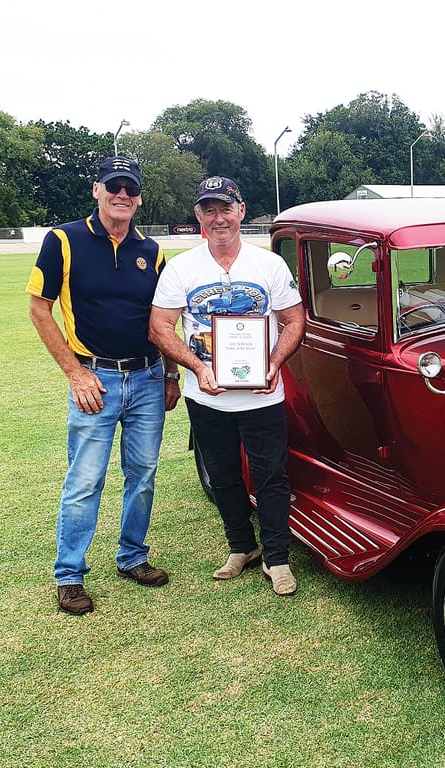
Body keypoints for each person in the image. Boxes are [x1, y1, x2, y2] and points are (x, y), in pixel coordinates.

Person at [27, 156, 181, 616]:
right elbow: (39, 309)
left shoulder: (151, 251)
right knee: (85, 480)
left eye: (130, 189)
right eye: (113, 186)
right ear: (96, 190)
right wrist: (75, 372)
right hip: (96, 378)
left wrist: (172, 374)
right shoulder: (63, 240)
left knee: (144, 475)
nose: (122, 195)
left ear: (138, 197)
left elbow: (164, 319)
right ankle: (70, 574)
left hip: (149, 377)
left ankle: (132, 556)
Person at [149, 176, 304, 596]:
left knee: (271, 476)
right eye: (209, 210)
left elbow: (294, 321)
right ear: (198, 216)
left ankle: (277, 558)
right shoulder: (182, 266)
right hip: (207, 395)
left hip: (261, 394)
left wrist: (273, 363)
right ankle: (241, 547)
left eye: (226, 208)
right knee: (222, 476)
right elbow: (160, 327)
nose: (219, 218)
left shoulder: (268, 264)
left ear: (241, 210)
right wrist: (197, 368)